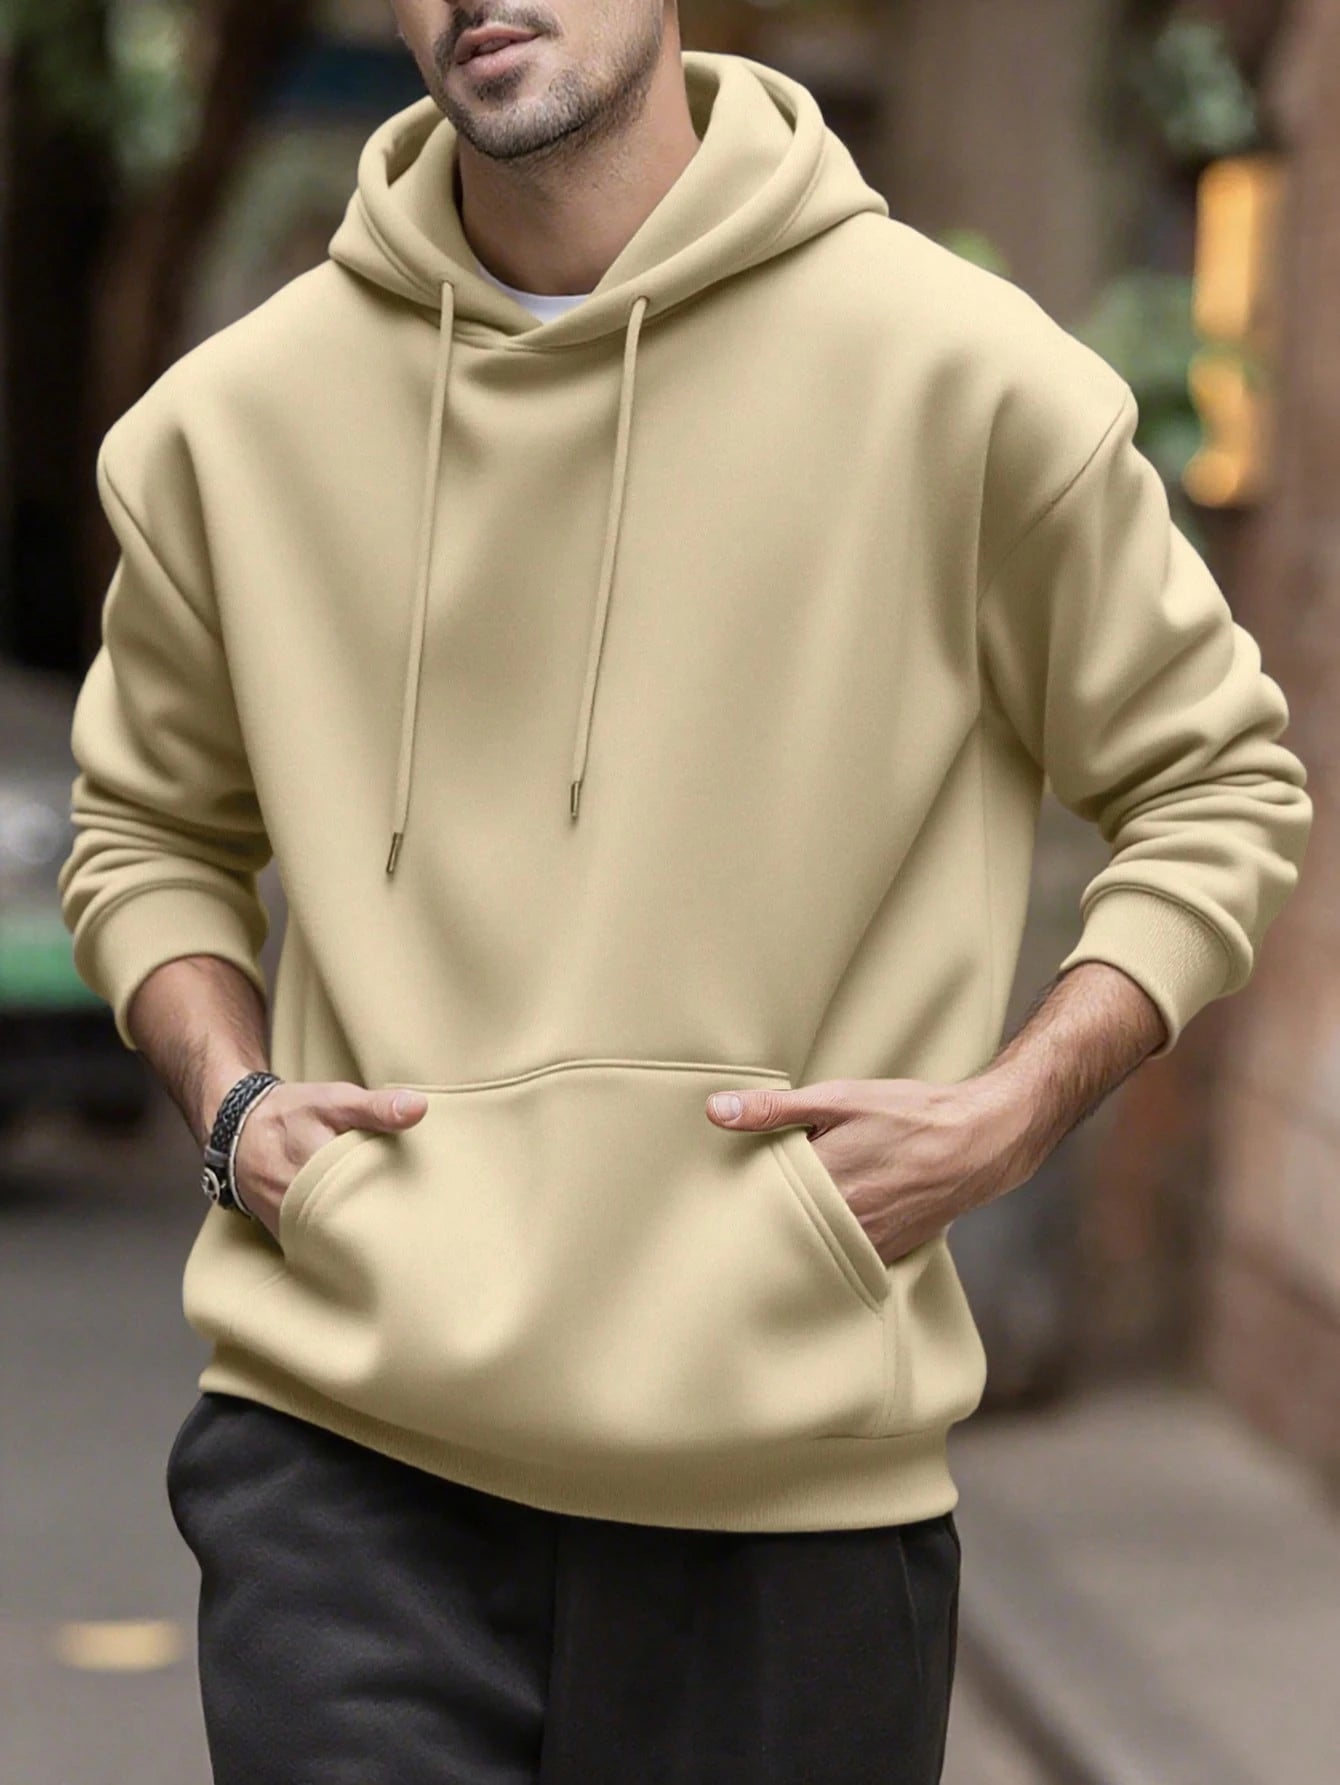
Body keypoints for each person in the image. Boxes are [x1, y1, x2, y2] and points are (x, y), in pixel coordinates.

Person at [57, 3, 1312, 1781]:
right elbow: (144, 831)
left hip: (786, 1506)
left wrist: (1011, 1112)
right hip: (345, 1465)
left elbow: (1216, 779)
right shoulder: (230, 426)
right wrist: (234, 1100)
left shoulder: (961, 381)